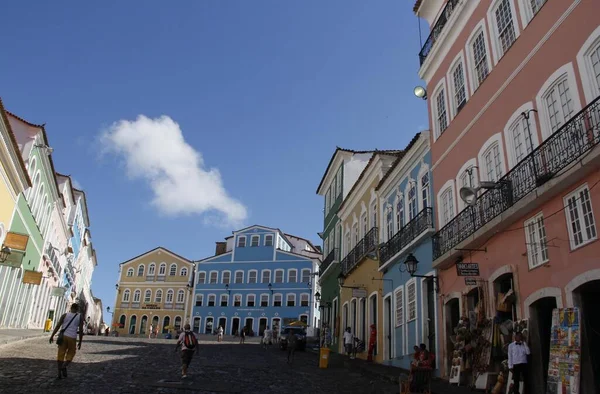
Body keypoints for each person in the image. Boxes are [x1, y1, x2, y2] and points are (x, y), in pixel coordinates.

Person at [49, 303, 84, 379]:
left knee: (60, 354)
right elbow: (81, 330)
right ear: (77, 309)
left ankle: (59, 373)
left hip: (63, 337)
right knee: (71, 353)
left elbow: (58, 326)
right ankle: (64, 366)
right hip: (72, 337)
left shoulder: (65, 315)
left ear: (71, 308)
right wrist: (80, 341)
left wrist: (52, 335)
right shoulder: (79, 317)